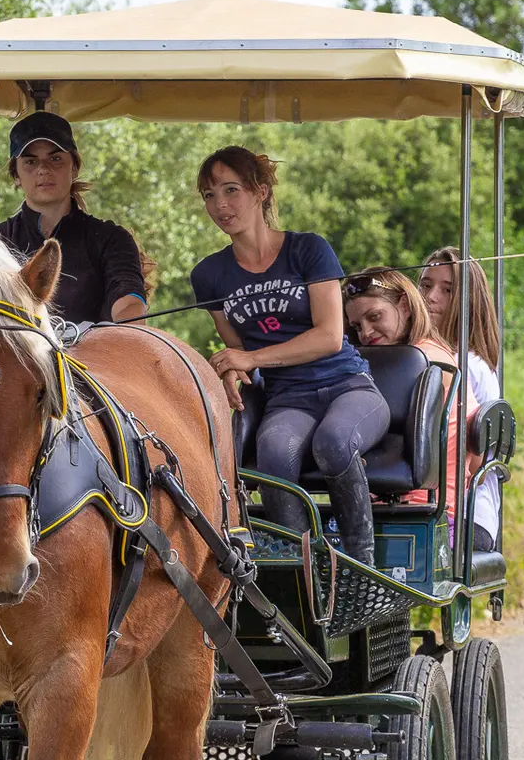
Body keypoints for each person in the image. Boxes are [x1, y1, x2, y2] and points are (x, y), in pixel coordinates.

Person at [191, 146, 386, 564]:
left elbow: (330, 337)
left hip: (346, 387)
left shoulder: (308, 250)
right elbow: (238, 353)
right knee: (273, 458)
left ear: (260, 192)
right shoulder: (209, 275)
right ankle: (300, 576)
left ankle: (361, 568)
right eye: (209, 195)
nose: (220, 205)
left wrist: (250, 360)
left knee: (334, 443)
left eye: (231, 190)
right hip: (287, 399)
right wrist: (230, 370)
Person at [0, 111, 150, 324]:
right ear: (16, 175)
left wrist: (129, 326)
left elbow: (129, 302)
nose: (44, 169)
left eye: (55, 158)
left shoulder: (111, 239)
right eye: (31, 162)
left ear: (74, 168)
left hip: (93, 356)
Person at [343, 266, 466, 519]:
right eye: (357, 326)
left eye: (375, 317)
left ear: (405, 306)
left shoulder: (420, 360)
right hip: (388, 503)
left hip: (427, 507)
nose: (365, 332)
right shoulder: (428, 354)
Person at [419, 246, 504, 554]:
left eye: (447, 289)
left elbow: (478, 462)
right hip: (420, 504)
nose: (431, 297)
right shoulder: (415, 356)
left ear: (466, 301)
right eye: (426, 286)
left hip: (465, 515)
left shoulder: (470, 366)